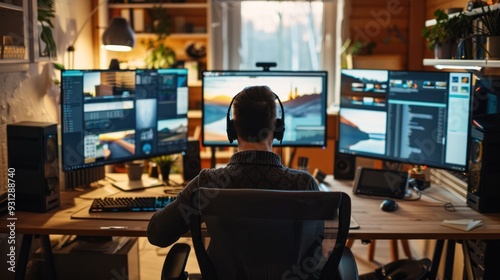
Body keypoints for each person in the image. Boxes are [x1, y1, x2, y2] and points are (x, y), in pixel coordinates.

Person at [147, 85, 322, 277]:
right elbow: (315, 247)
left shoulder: (207, 182)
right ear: (277, 127)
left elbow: (158, 234)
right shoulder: (304, 184)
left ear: (232, 128)